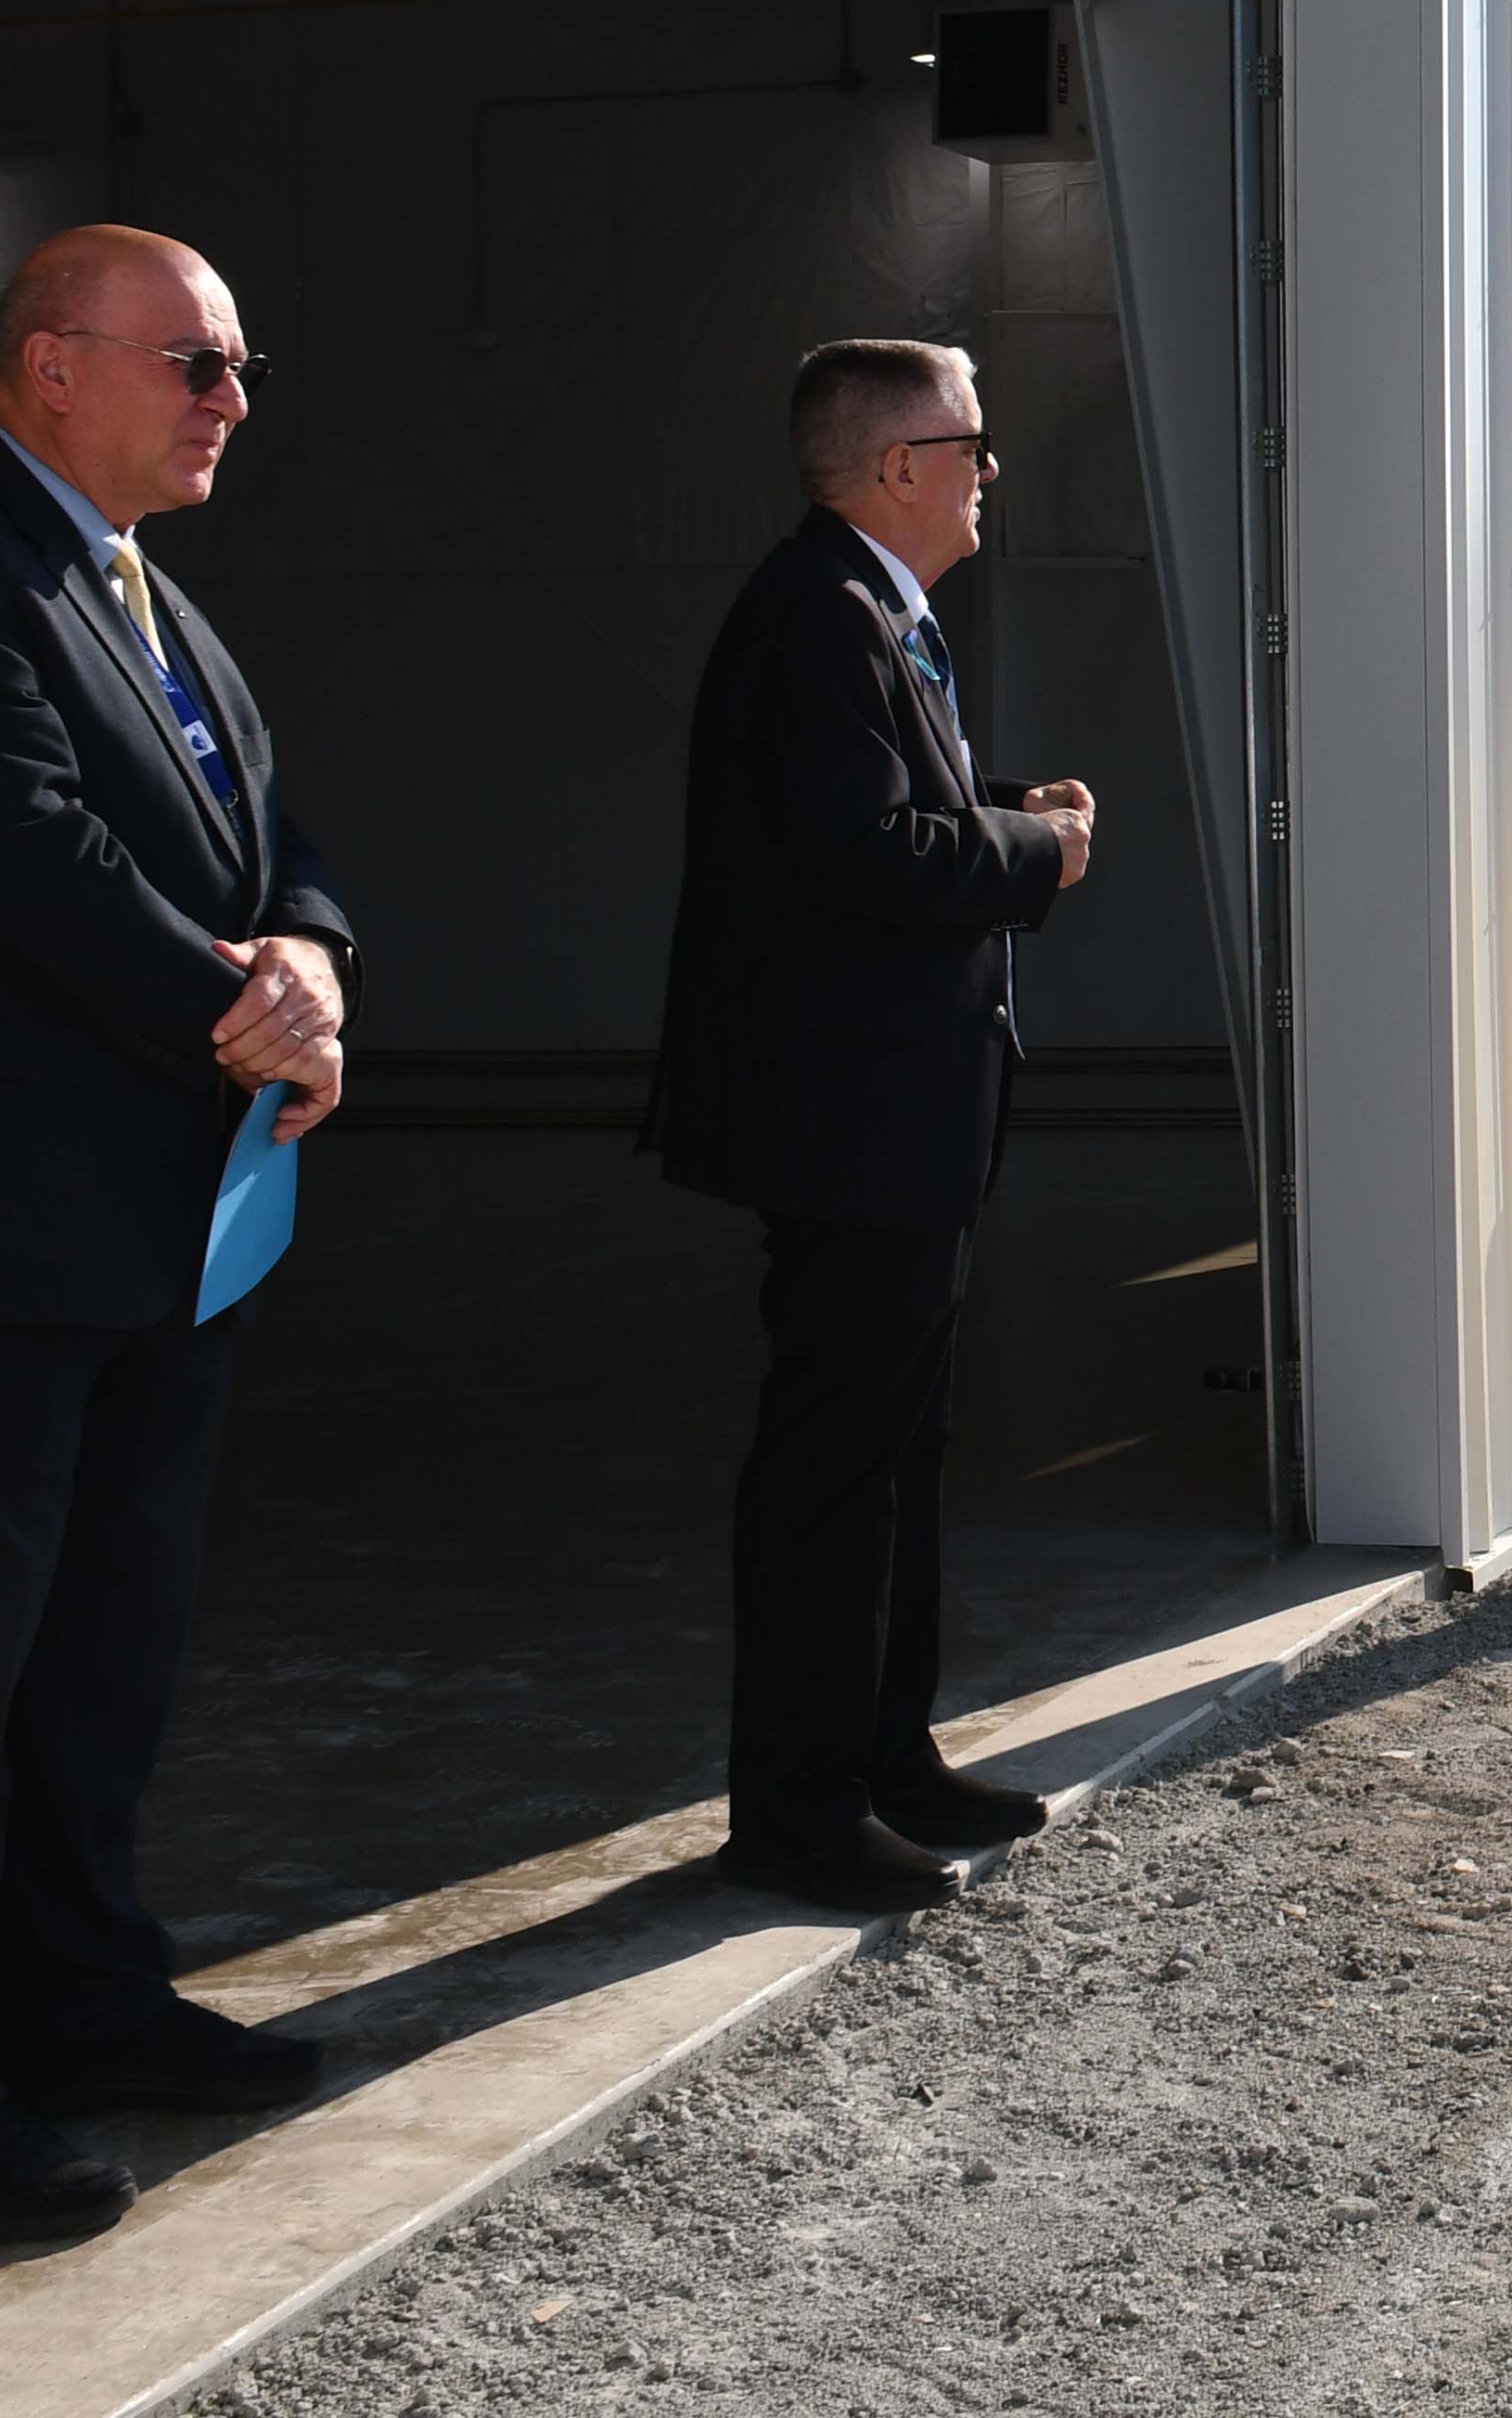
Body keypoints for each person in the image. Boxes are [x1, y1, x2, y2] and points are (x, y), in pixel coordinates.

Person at [0, 225, 357, 2244]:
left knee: (102, 1655)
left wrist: (310, 952)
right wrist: (247, 998)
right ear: (49, 364)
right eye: (197, 363)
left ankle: (85, 1999)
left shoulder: (153, 597)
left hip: (155, 1235)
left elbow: (271, 831)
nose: (231, 399)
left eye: (236, 365)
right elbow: (22, 847)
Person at [652, 341, 1096, 1912]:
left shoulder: (868, 618)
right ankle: (798, 1805)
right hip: (848, 1126)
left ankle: (883, 1750)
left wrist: (1003, 808)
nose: (990, 473)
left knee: (899, 1452)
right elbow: (867, 859)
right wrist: (1031, 849)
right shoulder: (817, 620)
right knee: (835, 1467)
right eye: (975, 445)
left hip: (895, 1122)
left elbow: (899, 812)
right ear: (902, 464)